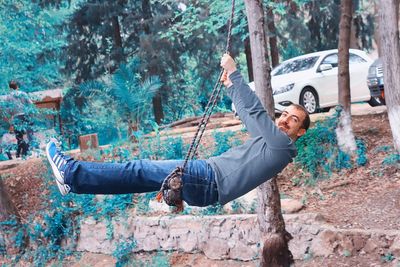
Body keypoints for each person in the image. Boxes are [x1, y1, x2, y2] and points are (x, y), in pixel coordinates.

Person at [46, 54, 310, 207]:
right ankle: (75, 182)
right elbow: (247, 114)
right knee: (139, 177)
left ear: (300, 132)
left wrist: (235, 73)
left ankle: (71, 172)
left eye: (294, 120)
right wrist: (231, 86)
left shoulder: (282, 147)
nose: (285, 120)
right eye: (285, 114)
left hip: (207, 178)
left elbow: (255, 114)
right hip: (206, 182)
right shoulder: (271, 142)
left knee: (138, 170)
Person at [3, 81, 34, 159]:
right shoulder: (23, 94)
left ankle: (23, 151)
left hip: (16, 117)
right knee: (29, 133)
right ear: (17, 86)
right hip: (26, 115)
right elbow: (31, 104)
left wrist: (11, 116)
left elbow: (7, 109)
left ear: (10, 88)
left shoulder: (8, 97)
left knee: (19, 136)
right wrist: (31, 113)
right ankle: (28, 150)